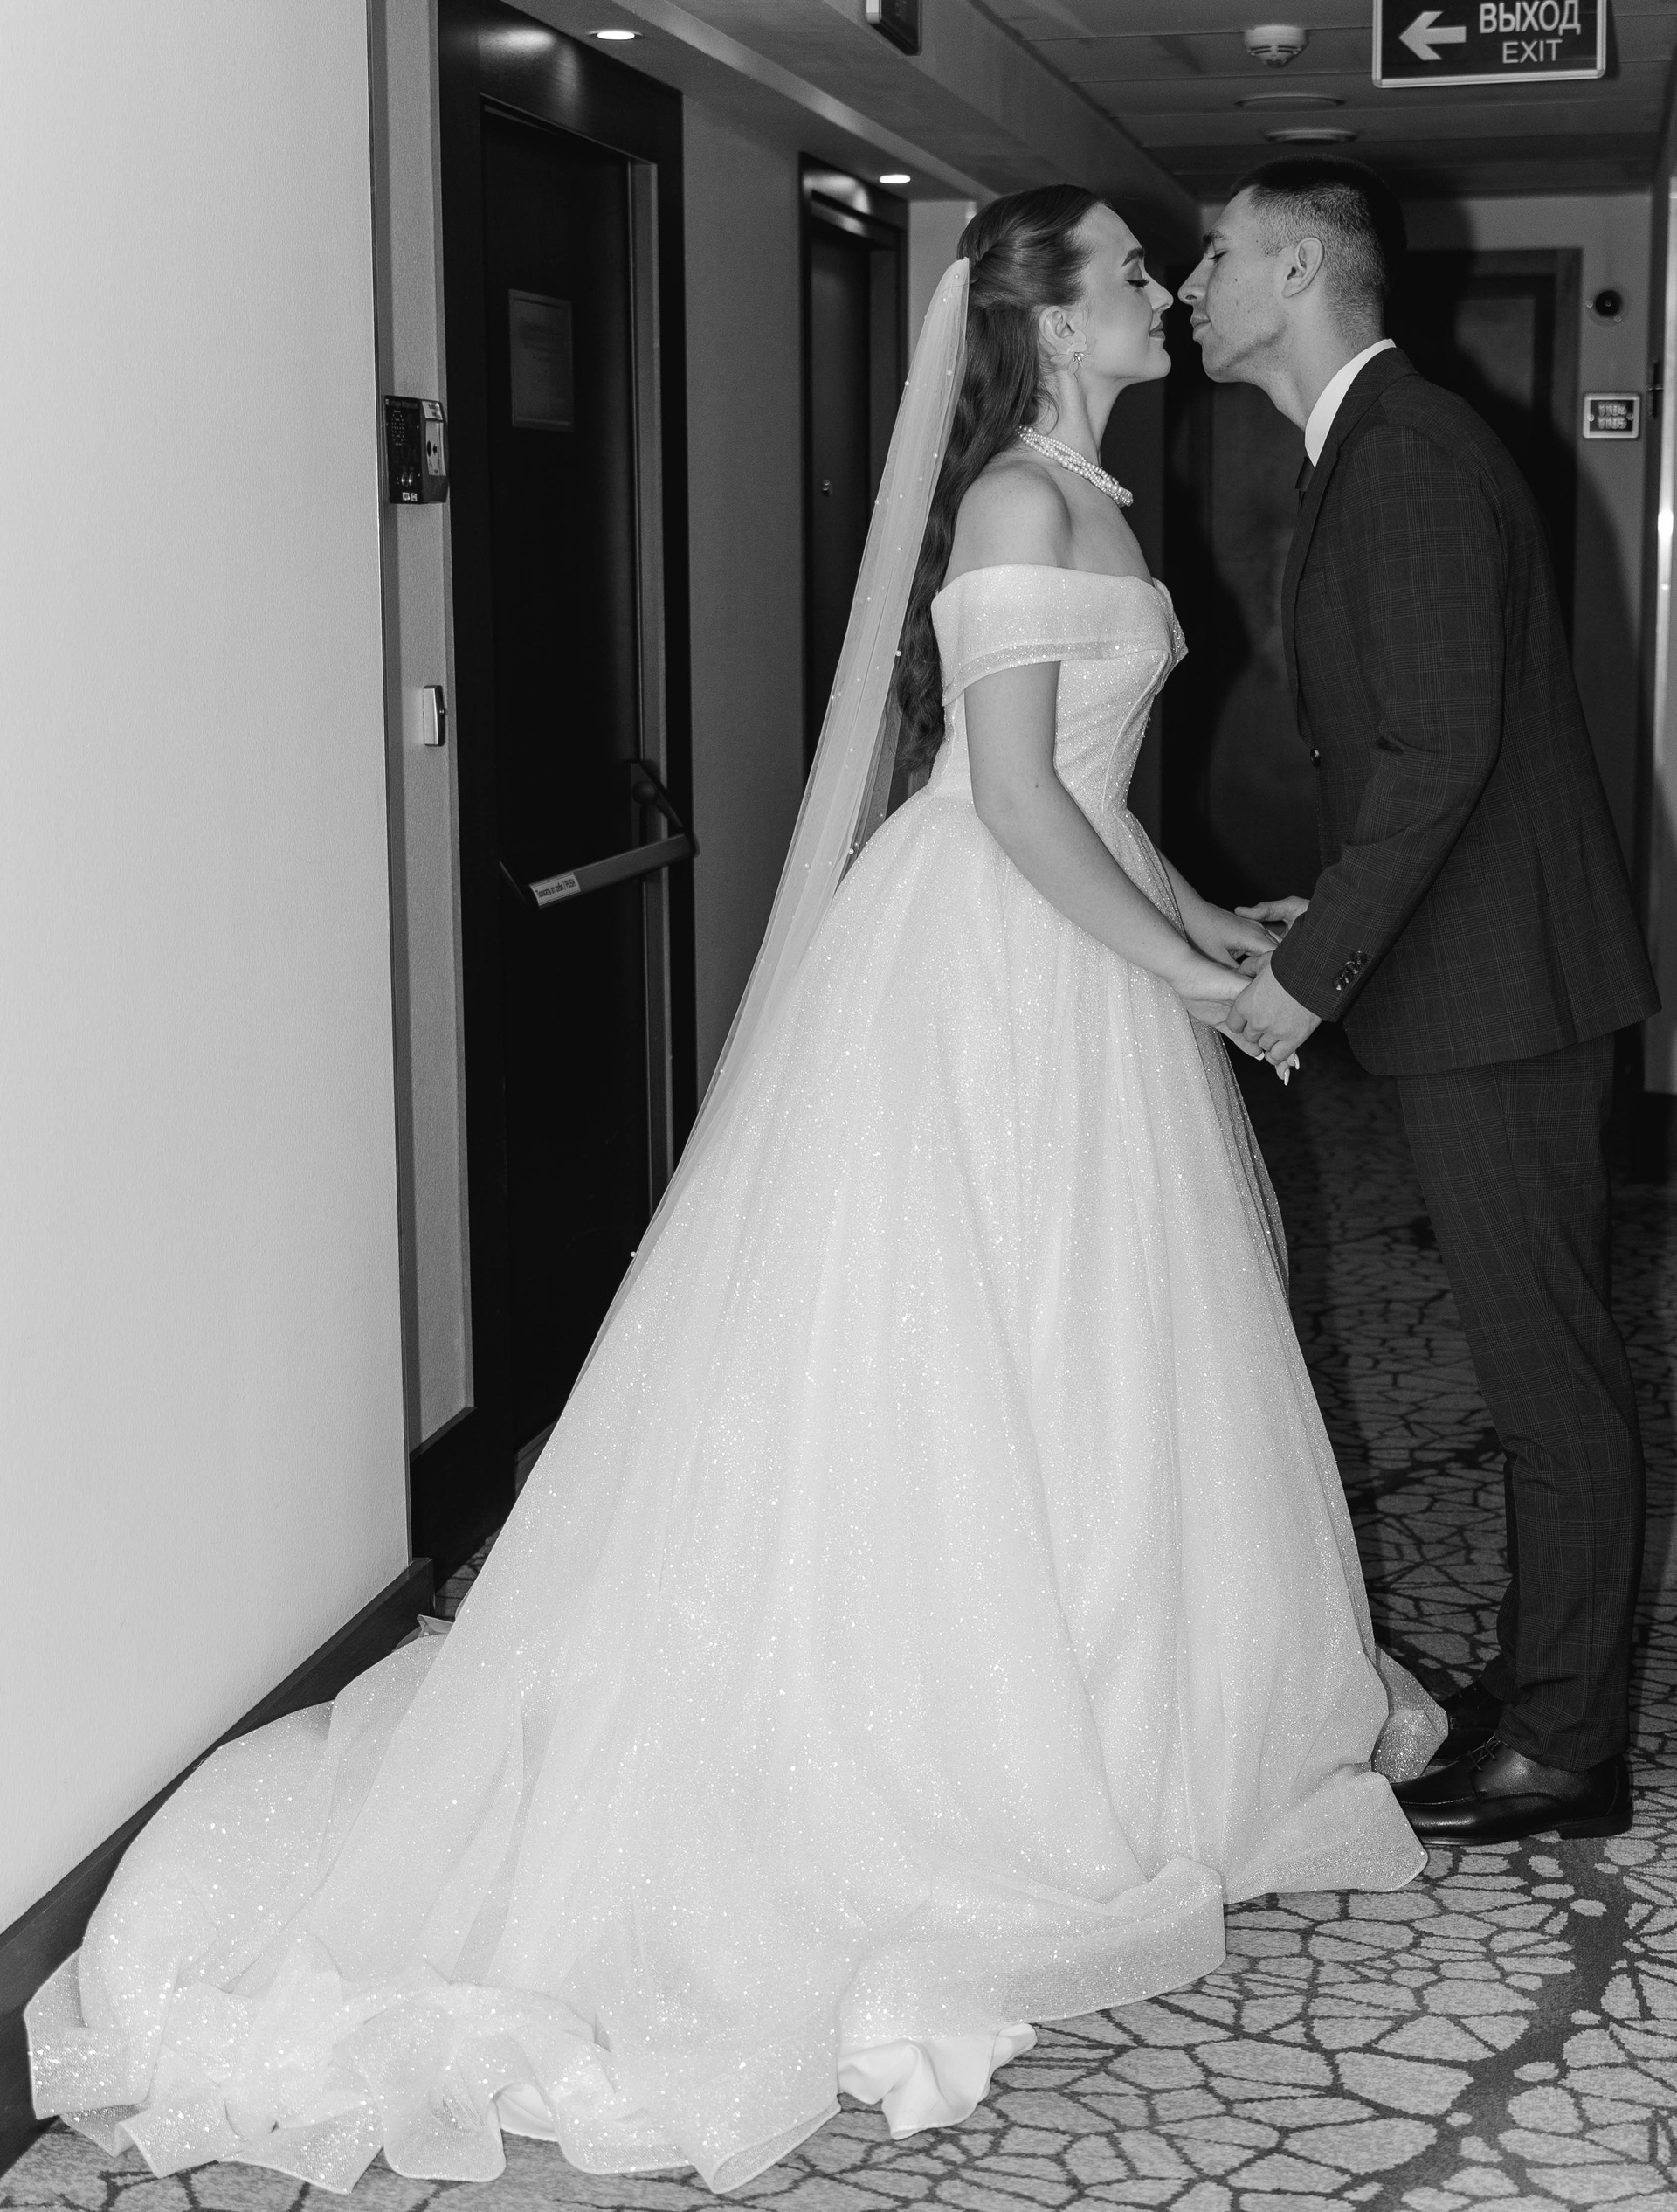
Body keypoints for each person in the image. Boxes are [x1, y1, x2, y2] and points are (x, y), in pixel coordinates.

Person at [31, 189, 1431, 2199]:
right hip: (986, 968)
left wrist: (1217, 931)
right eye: (1131, 272)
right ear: (1050, 320)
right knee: (956, 1343)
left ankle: (1132, 1723)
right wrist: (1200, 982)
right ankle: (950, 1742)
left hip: (1077, 952)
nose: (1161, 291)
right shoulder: (1017, 506)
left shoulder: (1101, 500)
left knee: (1093, 1347)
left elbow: (1101, 802)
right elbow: (1011, 800)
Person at [1181, 156, 1657, 1847]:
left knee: (1548, 1376)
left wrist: (1309, 978)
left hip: (1505, 993)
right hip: (1482, 966)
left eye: (1218, 257)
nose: (1194, 288)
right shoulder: (1371, 446)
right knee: (1534, 1371)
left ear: (1303, 268)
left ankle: (1567, 1750)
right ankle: (1545, 1702)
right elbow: (1425, 749)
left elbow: (1442, 749)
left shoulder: (1402, 450)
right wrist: (1327, 909)